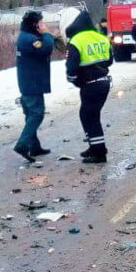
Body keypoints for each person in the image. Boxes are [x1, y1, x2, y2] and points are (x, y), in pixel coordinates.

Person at [65, 9, 113, 163]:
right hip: (104, 82)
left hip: (90, 85)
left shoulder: (76, 40)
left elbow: (71, 68)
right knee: (91, 116)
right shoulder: (101, 37)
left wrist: (75, 80)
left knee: (88, 117)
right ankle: (95, 146)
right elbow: (110, 60)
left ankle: (99, 153)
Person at [14, 10, 55, 162]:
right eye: (40, 23)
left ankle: (34, 147)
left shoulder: (25, 36)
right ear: (34, 24)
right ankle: (22, 144)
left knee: (30, 114)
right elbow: (46, 49)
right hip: (32, 83)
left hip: (28, 82)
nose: (42, 25)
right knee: (37, 113)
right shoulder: (29, 39)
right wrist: (47, 34)